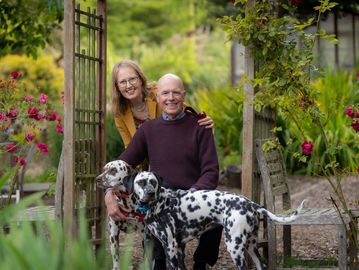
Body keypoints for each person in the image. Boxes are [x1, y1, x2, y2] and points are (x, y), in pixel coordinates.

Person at [115, 73, 223, 270]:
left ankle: (201, 263)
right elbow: (124, 162)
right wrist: (109, 191)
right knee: (158, 206)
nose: (170, 98)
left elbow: (211, 171)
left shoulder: (200, 126)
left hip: (193, 196)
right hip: (163, 199)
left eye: (176, 92)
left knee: (217, 207)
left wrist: (193, 193)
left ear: (183, 95)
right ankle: (161, 261)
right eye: (165, 93)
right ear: (157, 97)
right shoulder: (148, 130)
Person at [106, 59, 214, 221]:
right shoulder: (120, 114)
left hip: (182, 162)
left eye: (132, 79)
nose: (128, 85)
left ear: (141, 79)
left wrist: (203, 122)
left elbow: (181, 111)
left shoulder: (161, 91)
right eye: (123, 82)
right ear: (117, 87)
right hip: (155, 172)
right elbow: (129, 153)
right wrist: (110, 191)